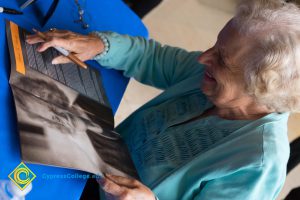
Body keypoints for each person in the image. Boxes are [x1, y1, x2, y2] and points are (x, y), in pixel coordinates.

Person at [26, 0, 300, 199]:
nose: (204, 57)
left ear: (260, 87)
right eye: (216, 45)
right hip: (83, 164)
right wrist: (97, 45)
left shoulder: (258, 164)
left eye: (222, 59)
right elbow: (151, 57)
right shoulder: (206, 73)